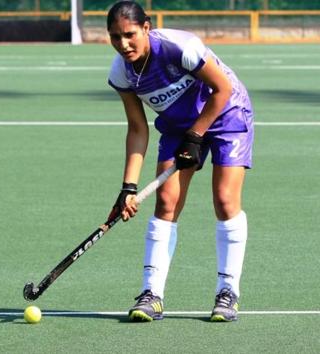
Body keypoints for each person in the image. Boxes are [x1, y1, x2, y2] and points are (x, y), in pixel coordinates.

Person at [106, 1, 254, 322]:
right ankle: (152, 295)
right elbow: (137, 128)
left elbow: (223, 88)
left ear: (146, 28)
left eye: (129, 34)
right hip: (178, 125)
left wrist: (197, 135)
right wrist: (128, 187)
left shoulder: (179, 47)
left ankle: (227, 293)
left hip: (226, 112)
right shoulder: (122, 72)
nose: (123, 44)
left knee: (225, 200)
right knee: (166, 202)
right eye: (115, 37)